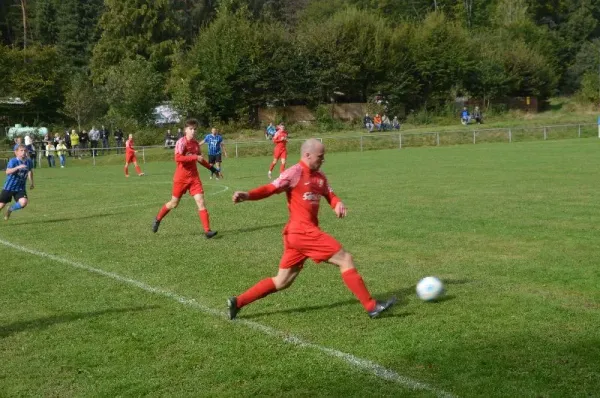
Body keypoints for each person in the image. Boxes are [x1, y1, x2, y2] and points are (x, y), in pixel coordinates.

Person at [227, 138, 396, 320]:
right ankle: (371, 306)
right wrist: (248, 195)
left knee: (282, 281)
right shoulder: (294, 172)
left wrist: (337, 203)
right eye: (320, 156)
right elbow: (271, 188)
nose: (323, 160)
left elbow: (330, 194)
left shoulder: (320, 177)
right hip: (302, 232)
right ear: (307, 155)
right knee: (345, 259)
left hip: (298, 236)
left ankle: (238, 302)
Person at [152, 118, 222, 238]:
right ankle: (158, 219)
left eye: (195, 129)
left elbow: (200, 160)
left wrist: (214, 170)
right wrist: (194, 157)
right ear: (185, 130)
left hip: (194, 178)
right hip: (181, 178)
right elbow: (178, 158)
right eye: (190, 129)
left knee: (201, 202)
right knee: (174, 203)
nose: (193, 131)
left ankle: (207, 231)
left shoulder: (195, 144)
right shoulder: (181, 142)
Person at [0, 144, 34, 221]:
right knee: (1, 205)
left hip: (20, 188)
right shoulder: (13, 161)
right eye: (21, 150)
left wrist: (31, 182)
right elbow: (7, 172)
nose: (23, 152)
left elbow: (30, 171)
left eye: (25, 150)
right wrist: (17, 167)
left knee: (23, 202)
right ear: (16, 152)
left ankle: (10, 209)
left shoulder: (29, 161)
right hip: (9, 187)